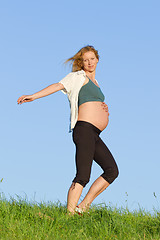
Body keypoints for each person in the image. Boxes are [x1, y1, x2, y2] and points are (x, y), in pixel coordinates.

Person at [17, 45, 119, 214]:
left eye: (92, 59)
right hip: (84, 129)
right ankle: (70, 214)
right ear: (82, 62)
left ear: (97, 60)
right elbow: (57, 85)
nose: (89, 62)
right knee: (83, 175)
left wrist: (102, 107)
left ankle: (83, 207)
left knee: (112, 170)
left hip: (95, 133)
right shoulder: (78, 77)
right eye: (85, 60)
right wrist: (33, 96)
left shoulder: (96, 84)